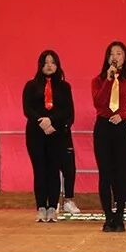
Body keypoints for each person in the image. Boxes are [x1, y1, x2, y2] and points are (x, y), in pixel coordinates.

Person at [91, 41, 126, 232]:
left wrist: (123, 115)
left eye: (119, 53)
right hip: (103, 128)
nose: (115, 57)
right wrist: (108, 79)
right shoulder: (98, 80)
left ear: (125, 58)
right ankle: (108, 217)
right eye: (112, 54)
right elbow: (98, 102)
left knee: (122, 173)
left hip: (121, 127)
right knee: (105, 173)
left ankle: (120, 215)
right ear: (107, 58)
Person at [23, 50, 75, 222]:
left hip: (56, 133)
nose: (49, 66)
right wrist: (42, 122)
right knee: (39, 170)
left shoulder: (65, 87)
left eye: (52, 62)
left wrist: (51, 121)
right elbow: (27, 109)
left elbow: (68, 111)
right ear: (40, 65)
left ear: (57, 65)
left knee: (53, 170)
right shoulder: (31, 85)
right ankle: (41, 207)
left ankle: (52, 207)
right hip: (36, 133)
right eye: (46, 62)